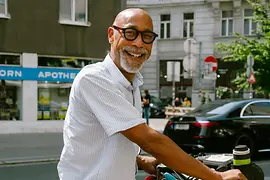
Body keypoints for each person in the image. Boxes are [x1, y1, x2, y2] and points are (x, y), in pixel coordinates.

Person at [57, 8, 247, 180]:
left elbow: (105, 144)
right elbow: (149, 139)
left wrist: (138, 161)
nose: (139, 43)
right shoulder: (93, 78)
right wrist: (216, 177)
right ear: (111, 35)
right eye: (130, 33)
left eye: (147, 36)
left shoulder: (132, 84)